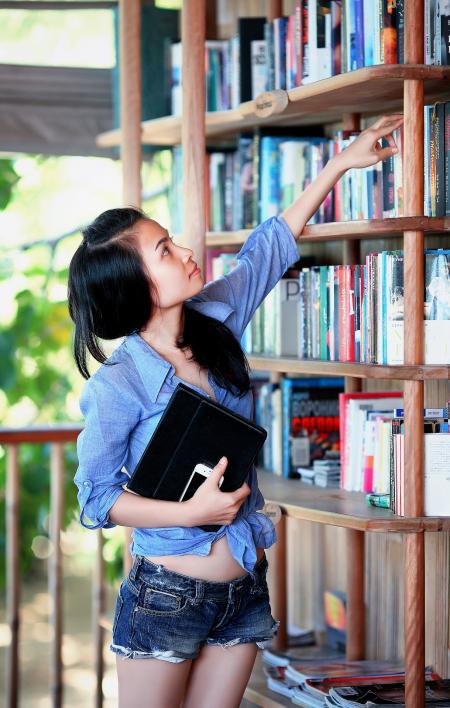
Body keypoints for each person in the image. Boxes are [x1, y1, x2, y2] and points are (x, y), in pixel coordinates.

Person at [68, 115, 402, 708]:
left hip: (245, 590)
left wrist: (339, 164)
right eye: (166, 250)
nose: (187, 251)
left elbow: (268, 249)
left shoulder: (217, 314)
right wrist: (188, 509)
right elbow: (96, 498)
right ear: (133, 287)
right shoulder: (120, 384)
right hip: (165, 595)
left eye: (173, 239)